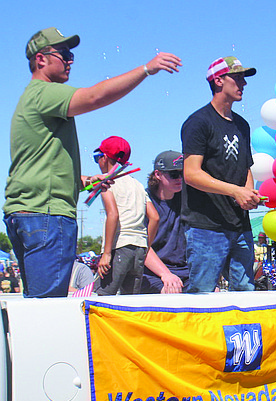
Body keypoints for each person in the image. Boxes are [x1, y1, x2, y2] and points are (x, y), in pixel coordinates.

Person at [4, 27, 181, 298]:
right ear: (41, 60)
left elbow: (44, 170)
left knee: (38, 302)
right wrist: (146, 69)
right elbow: (94, 97)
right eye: (64, 54)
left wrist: (89, 181)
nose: (71, 60)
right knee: (48, 307)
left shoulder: (32, 101)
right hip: (47, 215)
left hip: (28, 212)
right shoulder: (43, 93)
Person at [181, 57, 262, 292]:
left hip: (239, 224)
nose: (243, 84)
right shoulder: (198, 122)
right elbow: (191, 173)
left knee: (246, 292)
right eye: (237, 78)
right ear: (218, 80)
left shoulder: (242, 125)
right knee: (202, 293)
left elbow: (246, 167)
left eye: (243, 79)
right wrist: (236, 191)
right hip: (206, 226)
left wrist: (248, 194)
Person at [94, 136, 159, 295]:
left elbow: (113, 215)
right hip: (139, 248)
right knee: (130, 300)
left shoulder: (107, 182)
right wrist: (145, 245)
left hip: (119, 246)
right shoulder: (137, 185)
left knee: (103, 297)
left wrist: (107, 253)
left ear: (105, 158)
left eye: (97, 158)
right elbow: (155, 218)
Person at [141, 151, 189, 294]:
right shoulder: (143, 201)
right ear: (158, 174)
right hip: (151, 272)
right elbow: (142, 246)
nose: (179, 178)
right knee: (170, 293)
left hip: (184, 270)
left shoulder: (187, 199)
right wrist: (165, 274)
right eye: (174, 174)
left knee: (213, 293)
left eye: (182, 174)